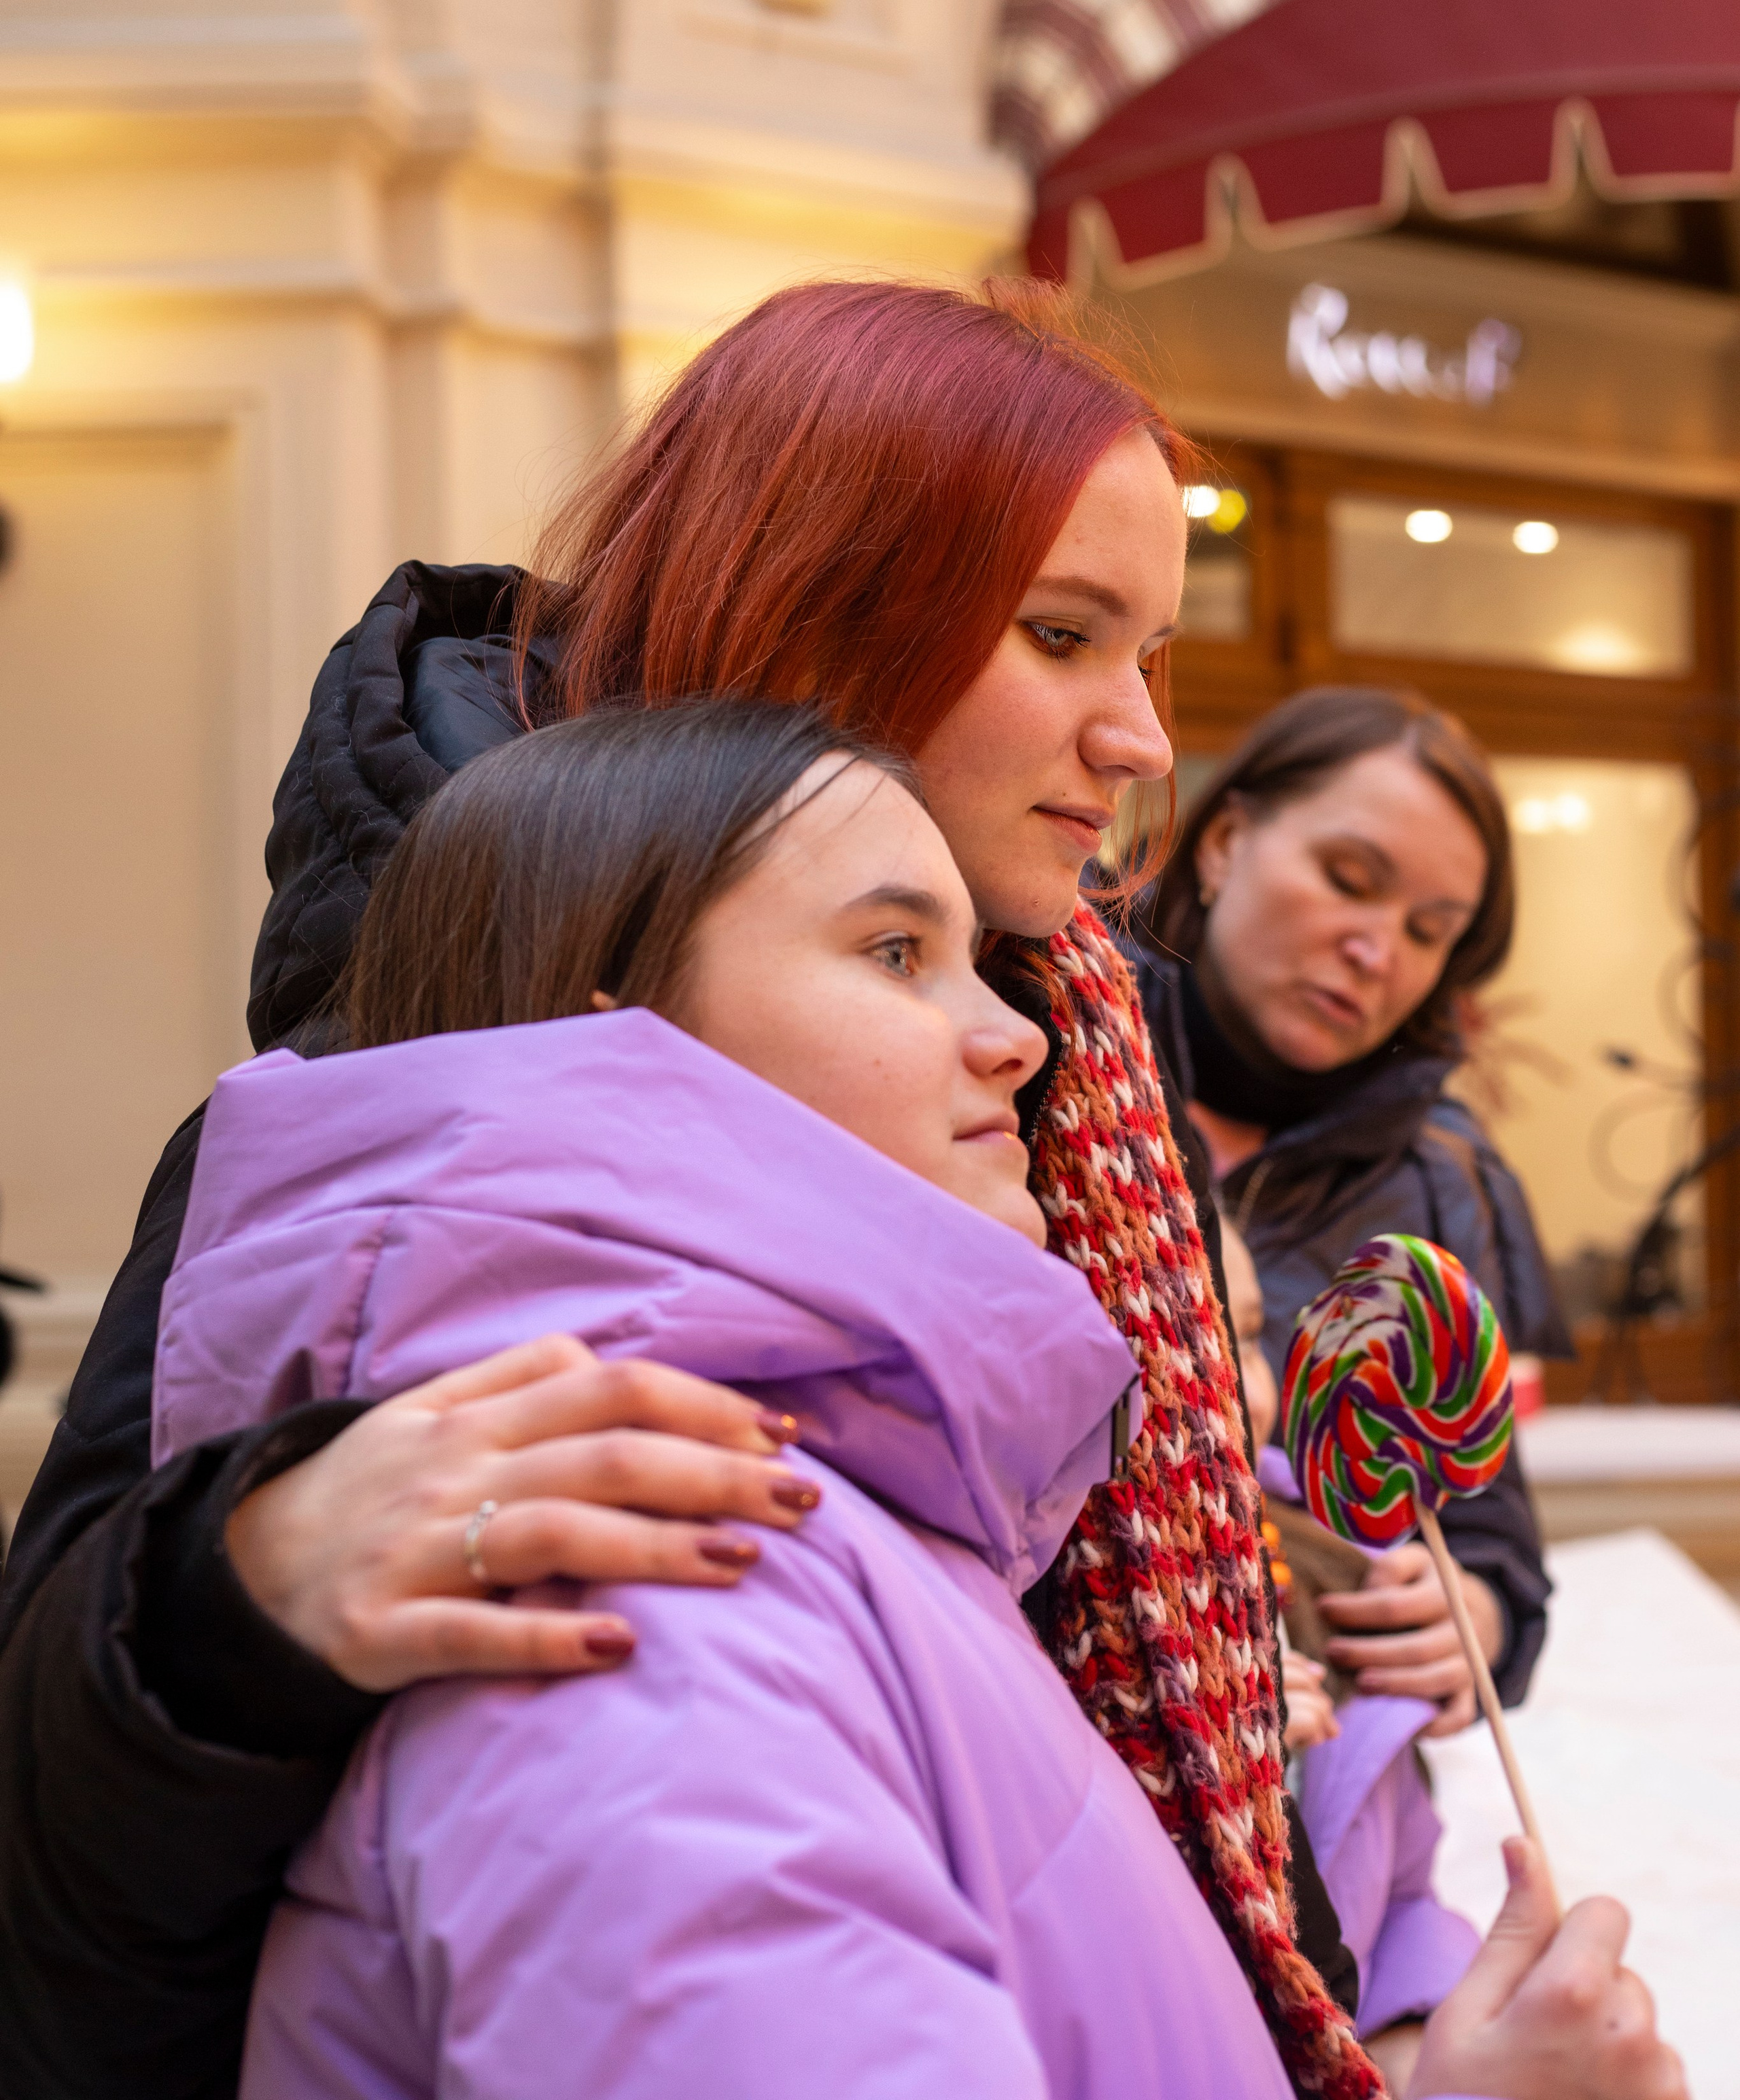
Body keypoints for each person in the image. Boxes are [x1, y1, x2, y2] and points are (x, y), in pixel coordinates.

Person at [0, 283, 1660, 2100]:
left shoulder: (1079, 1051)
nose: (1139, 737)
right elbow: (83, 1848)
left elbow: (1152, 1748)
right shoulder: (453, 1097)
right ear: (817, 604)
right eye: (1060, 634)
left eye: (1151, 654)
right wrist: (235, 1593)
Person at [156, 700, 1683, 2100]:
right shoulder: (646, 1592)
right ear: (618, 1026)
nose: (1024, 1041)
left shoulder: (879, 1504)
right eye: (896, 953)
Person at [1131, 688, 1571, 1735]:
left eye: (1428, 931)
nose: (1378, 952)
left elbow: (1492, 1535)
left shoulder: (1440, 1178)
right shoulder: (1035, 1054)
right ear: (1225, 842)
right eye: (1349, 880)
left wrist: (1474, 1613)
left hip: (1324, 1765)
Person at [1221, 1223, 1481, 2095]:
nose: (1240, 1386)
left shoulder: (1337, 1588)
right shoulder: (1090, 1667)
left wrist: (1416, 2035)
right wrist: (1233, 1778)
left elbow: (1403, 1899)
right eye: (1189, 1332)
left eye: (1247, 1335)